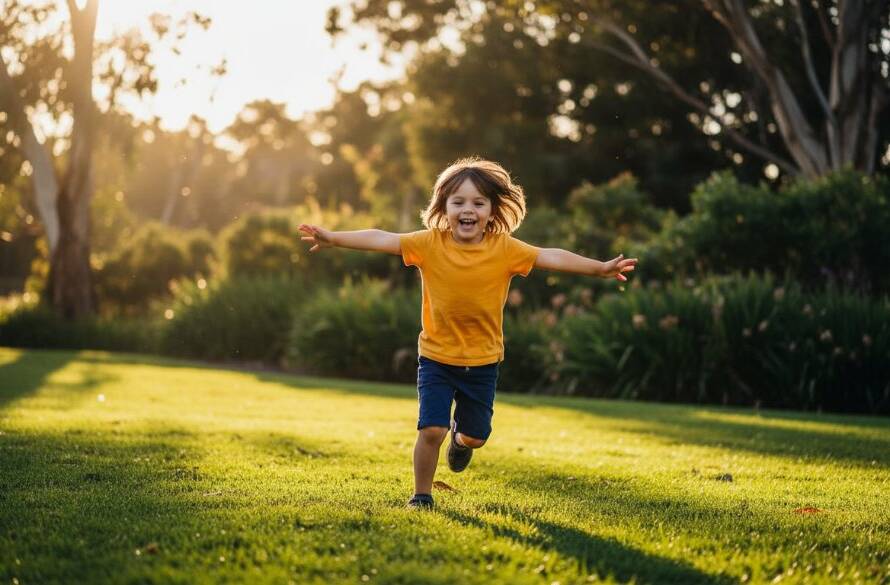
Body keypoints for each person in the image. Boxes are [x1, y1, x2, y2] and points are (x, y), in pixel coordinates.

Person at [299, 157, 637, 510]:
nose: (468, 209)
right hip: (436, 357)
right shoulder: (429, 243)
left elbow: (549, 257)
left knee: (475, 437)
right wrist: (335, 238)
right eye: (458, 202)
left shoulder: (505, 249)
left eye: (478, 203)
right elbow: (384, 238)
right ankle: (421, 495)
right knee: (431, 430)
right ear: (444, 208)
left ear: (492, 210)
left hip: (482, 362)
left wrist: (599, 268)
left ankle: (461, 443)